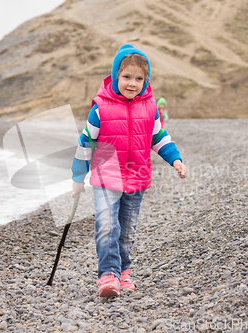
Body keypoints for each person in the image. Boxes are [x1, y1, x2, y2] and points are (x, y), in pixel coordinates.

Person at [71, 44, 187, 298]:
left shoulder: (150, 107)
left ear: (146, 80)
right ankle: (108, 276)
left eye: (138, 78)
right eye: (126, 77)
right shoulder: (100, 107)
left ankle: (124, 272)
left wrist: (175, 160)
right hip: (106, 179)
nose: (132, 83)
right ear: (115, 76)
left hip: (136, 179)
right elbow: (85, 143)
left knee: (126, 231)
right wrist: (78, 177)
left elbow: (159, 137)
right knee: (106, 226)